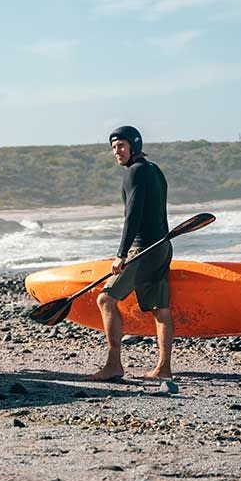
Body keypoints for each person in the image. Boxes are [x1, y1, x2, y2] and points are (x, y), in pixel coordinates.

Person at [89, 126, 174, 381]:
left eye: (122, 146)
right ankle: (163, 368)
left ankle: (114, 364)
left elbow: (132, 215)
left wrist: (122, 254)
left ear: (135, 146)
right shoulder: (154, 170)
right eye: (114, 147)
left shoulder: (134, 172)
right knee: (161, 308)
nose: (117, 152)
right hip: (162, 245)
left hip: (142, 249)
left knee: (105, 299)